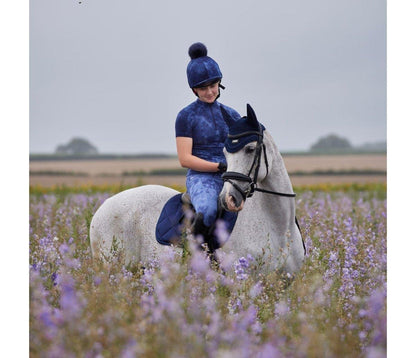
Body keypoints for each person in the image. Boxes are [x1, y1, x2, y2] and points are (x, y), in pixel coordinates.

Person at [175, 42, 240, 249]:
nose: (210, 92)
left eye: (213, 86)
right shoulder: (186, 116)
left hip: (232, 175)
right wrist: (219, 167)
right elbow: (185, 159)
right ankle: (196, 253)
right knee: (208, 210)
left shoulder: (232, 114)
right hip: (202, 178)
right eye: (203, 88)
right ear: (194, 90)